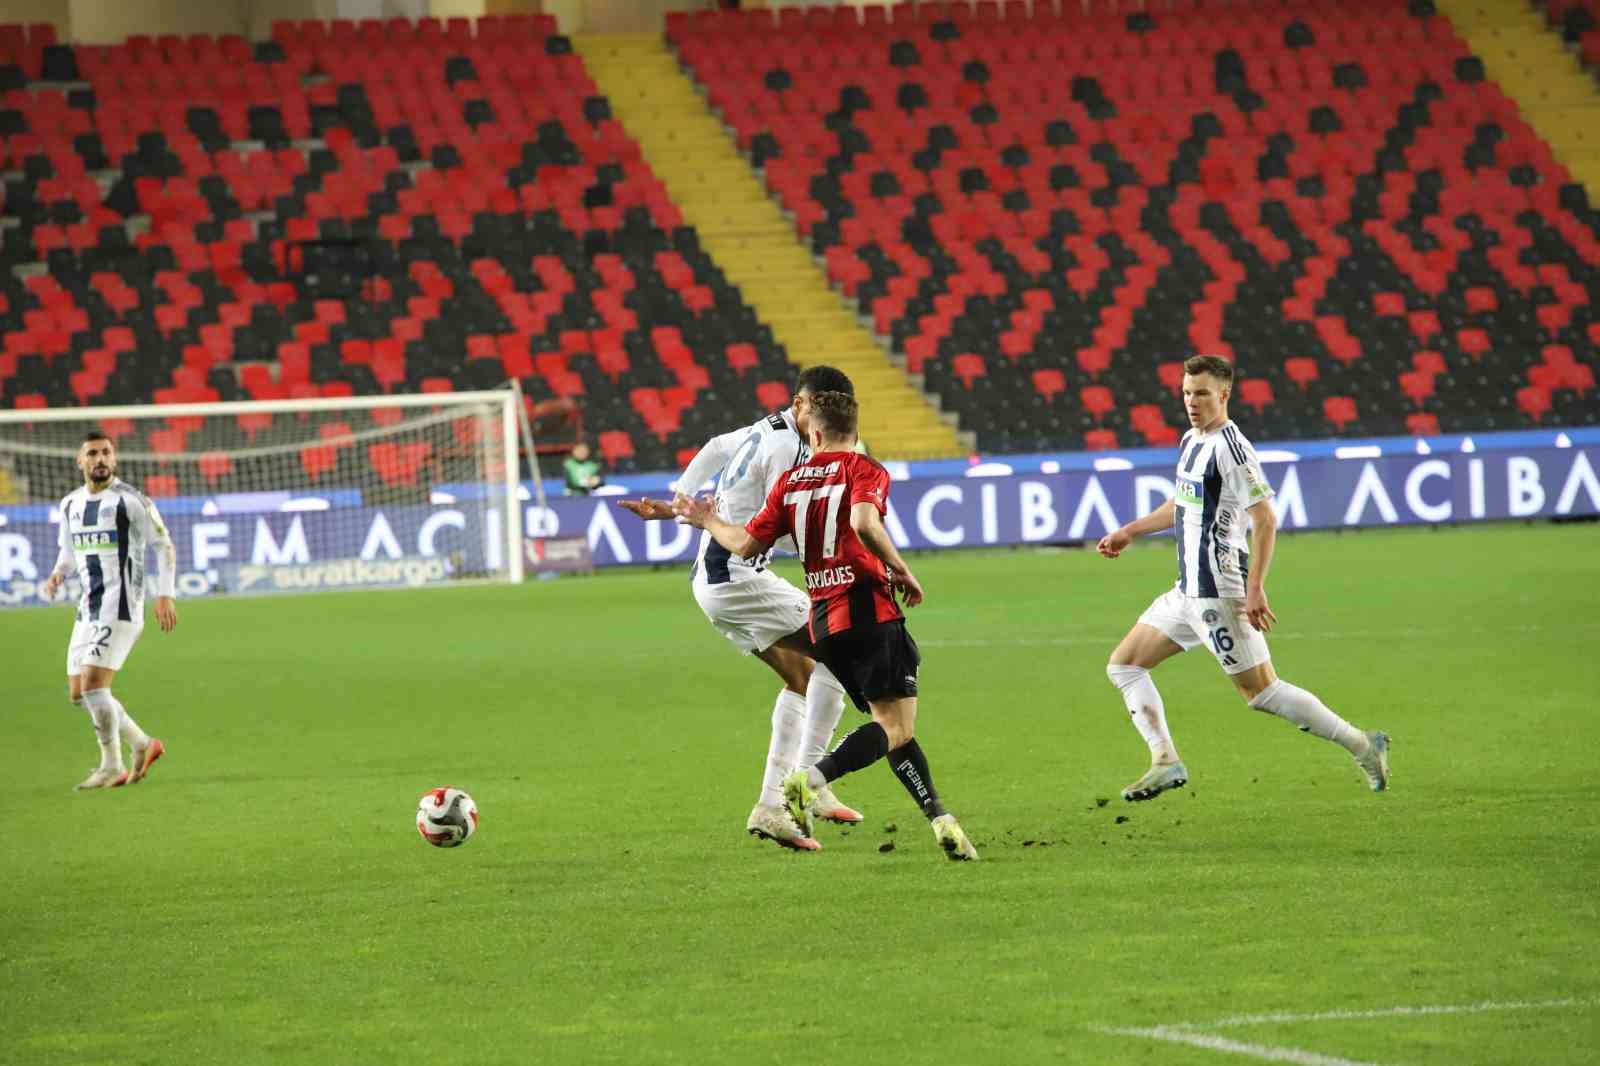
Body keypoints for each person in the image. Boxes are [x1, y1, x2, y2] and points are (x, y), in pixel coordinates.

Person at [677, 390, 978, 861]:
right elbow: (863, 522)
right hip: (869, 611)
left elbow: (747, 543)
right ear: (856, 433)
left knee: (837, 690)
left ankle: (940, 819)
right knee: (894, 726)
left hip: (822, 614)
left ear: (814, 431)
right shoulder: (866, 469)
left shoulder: (791, 480)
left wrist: (707, 519)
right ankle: (807, 781)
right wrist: (900, 568)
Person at [1096, 354, 1390, 801]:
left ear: (1225, 395)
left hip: (1219, 590)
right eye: (1186, 393)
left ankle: (1363, 745)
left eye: (1202, 394)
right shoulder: (1191, 439)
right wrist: (1129, 531)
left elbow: (1266, 519)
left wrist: (1255, 589)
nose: (1192, 402)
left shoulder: (1232, 448)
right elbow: (1182, 503)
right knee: (1125, 665)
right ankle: (1165, 761)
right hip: (1187, 590)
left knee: (1261, 693)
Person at [620, 367, 863, 851]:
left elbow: (713, 447)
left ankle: (775, 805)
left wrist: (679, 501)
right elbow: (774, 527)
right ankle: (803, 788)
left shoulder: (766, 429)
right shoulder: (781, 449)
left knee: (804, 674)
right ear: (800, 405)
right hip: (735, 577)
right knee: (842, 651)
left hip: (722, 579)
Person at [42, 430, 176, 791]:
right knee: (78, 693)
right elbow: (68, 554)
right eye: (92, 454)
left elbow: (164, 546)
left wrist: (165, 594)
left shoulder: (132, 501)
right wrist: (57, 574)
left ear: (114, 459)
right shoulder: (69, 504)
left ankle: (111, 765)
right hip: (87, 608)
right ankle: (144, 744)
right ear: (80, 461)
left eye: (105, 453)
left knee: (93, 685)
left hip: (122, 607)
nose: (99, 459)